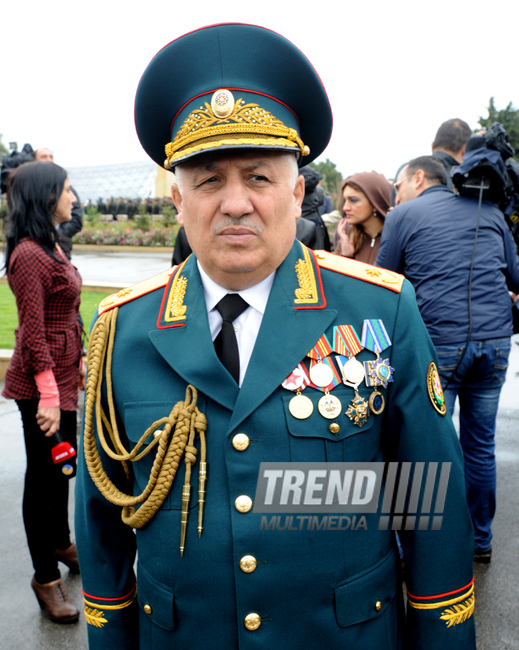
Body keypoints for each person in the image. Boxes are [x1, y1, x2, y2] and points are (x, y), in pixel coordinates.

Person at [75, 24, 476, 649]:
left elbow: (427, 505)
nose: (235, 202)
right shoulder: (121, 330)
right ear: (178, 200)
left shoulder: (381, 311)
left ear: (296, 192)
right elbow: (101, 536)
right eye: (208, 179)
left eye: (259, 177)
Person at [377, 155, 519, 563]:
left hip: (439, 345)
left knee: (422, 448)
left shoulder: (403, 214)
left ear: (419, 177)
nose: (396, 194)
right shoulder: (489, 212)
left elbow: (384, 280)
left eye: (398, 185)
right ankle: (480, 541)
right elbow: (516, 277)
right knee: (480, 447)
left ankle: (418, 551)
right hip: (493, 345)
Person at [2, 161, 85, 623]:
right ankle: (44, 577)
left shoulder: (51, 244)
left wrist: (85, 356)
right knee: (43, 480)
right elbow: (33, 333)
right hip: (40, 384)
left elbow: (69, 310)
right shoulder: (28, 255)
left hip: (63, 376)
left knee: (63, 466)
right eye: (68, 190)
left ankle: (61, 540)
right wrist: (50, 395)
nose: (74, 198)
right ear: (46, 195)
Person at [34, 148, 84, 258]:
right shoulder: (30, 191)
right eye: (44, 156)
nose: (48, 159)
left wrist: (56, 237)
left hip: (61, 247)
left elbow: (76, 220)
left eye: (51, 156)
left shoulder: (64, 185)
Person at [334, 171, 391, 263]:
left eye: (353, 200)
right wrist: (347, 256)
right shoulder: (347, 240)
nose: (345, 208)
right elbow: (335, 277)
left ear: (375, 203)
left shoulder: (394, 240)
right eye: (345, 200)